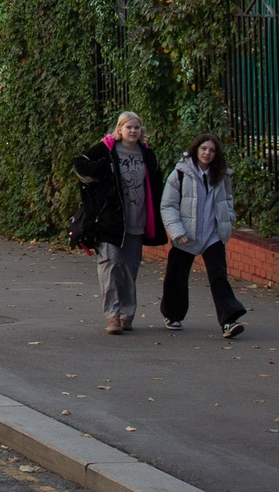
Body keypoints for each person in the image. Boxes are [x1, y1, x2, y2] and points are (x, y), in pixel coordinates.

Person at [74, 110, 165, 334]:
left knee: (130, 269)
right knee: (110, 264)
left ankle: (127, 315)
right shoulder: (105, 149)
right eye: (128, 127)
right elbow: (80, 166)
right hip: (109, 220)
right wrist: (101, 175)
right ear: (120, 129)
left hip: (137, 219)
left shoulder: (147, 154)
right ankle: (112, 316)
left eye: (136, 127)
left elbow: (156, 184)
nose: (133, 131)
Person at [160, 134, 248, 338]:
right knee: (176, 277)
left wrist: (228, 219)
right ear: (195, 150)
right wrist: (177, 231)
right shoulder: (180, 173)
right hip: (186, 234)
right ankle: (172, 314)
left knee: (219, 276)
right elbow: (168, 205)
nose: (207, 153)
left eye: (212, 150)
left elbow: (227, 199)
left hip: (212, 235)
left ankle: (229, 320)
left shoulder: (222, 175)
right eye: (204, 149)